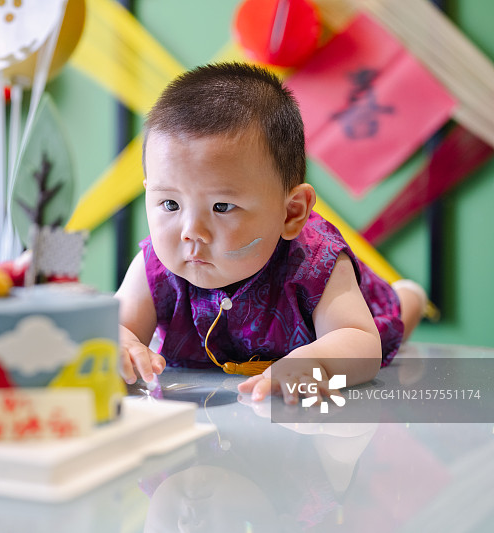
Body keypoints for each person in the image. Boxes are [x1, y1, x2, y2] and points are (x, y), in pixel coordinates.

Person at [115, 62, 427, 403]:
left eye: (221, 207)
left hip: (359, 313)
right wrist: (119, 343)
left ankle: (410, 296)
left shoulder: (315, 262)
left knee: (393, 318)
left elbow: (360, 341)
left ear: (291, 212)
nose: (191, 232)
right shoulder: (152, 266)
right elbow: (115, 327)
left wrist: (315, 362)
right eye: (170, 205)